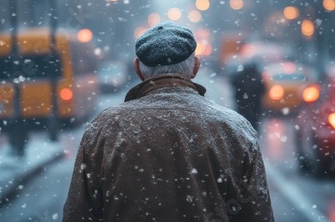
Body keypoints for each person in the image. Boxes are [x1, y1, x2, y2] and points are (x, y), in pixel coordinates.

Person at [63, 22, 274, 221]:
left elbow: (78, 213)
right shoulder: (235, 129)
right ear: (195, 67)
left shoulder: (104, 129)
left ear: (137, 69)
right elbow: (256, 213)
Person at [230, 60, 266, 134]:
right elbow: (263, 90)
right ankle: (253, 135)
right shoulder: (257, 76)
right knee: (254, 122)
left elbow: (233, 83)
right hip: (255, 105)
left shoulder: (240, 75)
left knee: (242, 120)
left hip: (242, 103)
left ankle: (243, 134)